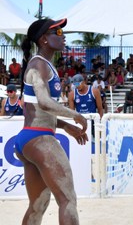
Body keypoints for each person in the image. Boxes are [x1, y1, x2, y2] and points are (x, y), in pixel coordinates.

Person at [15, 17, 88, 224]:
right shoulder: (39, 65)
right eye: (57, 33)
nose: (63, 36)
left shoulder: (42, 65)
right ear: (44, 40)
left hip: (28, 138)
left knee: (38, 205)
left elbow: (39, 111)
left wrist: (66, 127)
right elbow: (45, 103)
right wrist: (75, 115)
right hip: (39, 138)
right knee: (68, 200)